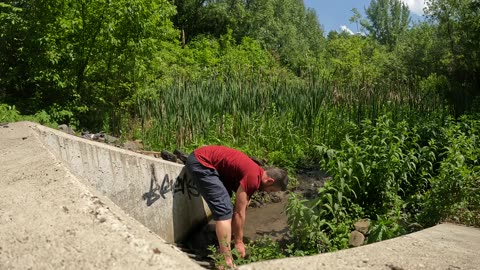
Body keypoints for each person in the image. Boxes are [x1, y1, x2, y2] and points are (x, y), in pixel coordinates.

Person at [185, 145, 288, 267]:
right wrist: (239, 242)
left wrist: (237, 229)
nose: (268, 193)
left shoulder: (256, 172)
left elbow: (243, 205)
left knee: (231, 204)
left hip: (206, 161)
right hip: (202, 162)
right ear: (269, 181)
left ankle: (225, 239)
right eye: (271, 190)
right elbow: (238, 213)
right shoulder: (253, 177)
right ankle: (226, 260)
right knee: (224, 210)